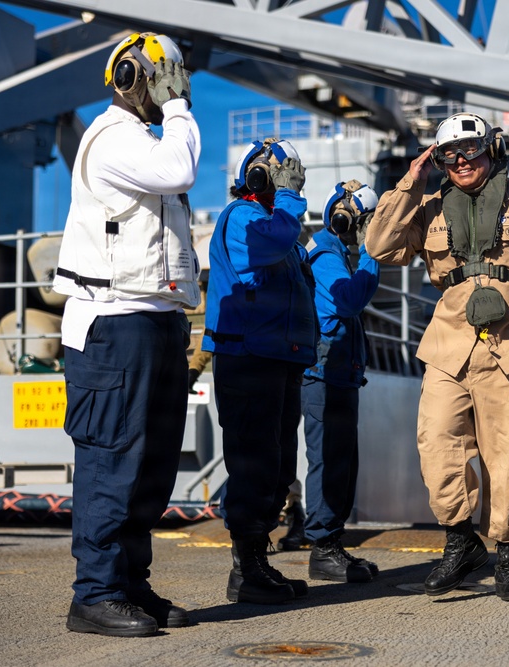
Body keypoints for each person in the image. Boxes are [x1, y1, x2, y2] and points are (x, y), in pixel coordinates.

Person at [365, 112, 509, 603]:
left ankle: (508, 556)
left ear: (492, 150)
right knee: (437, 444)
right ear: (439, 160)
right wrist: (411, 180)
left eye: (471, 150)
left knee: (506, 455)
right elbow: (380, 247)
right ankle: (460, 539)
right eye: (450, 154)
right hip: (449, 347)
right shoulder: (426, 206)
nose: (462, 160)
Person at [54, 32, 200, 637]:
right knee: (113, 461)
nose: (177, 88)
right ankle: (94, 593)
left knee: (150, 466)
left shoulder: (143, 140)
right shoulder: (114, 137)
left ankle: (129, 586)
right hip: (113, 321)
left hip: (155, 317)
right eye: (167, 77)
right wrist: (179, 108)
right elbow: (181, 169)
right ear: (135, 80)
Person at [202, 137, 317, 605]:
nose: (285, 178)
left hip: (280, 356)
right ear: (257, 176)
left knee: (277, 464)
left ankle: (257, 561)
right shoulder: (244, 218)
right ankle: (246, 568)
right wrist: (288, 200)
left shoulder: (280, 227)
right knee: (253, 461)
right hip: (249, 357)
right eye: (278, 171)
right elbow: (267, 247)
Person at [298, 180, 383, 583]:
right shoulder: (327, 255)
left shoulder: (333, 252)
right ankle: (323, 548)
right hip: (324, 373)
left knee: (342, 461)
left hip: (339, 373)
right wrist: (371, 252)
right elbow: (349, 300)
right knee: (330, 459)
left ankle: (332, 543)